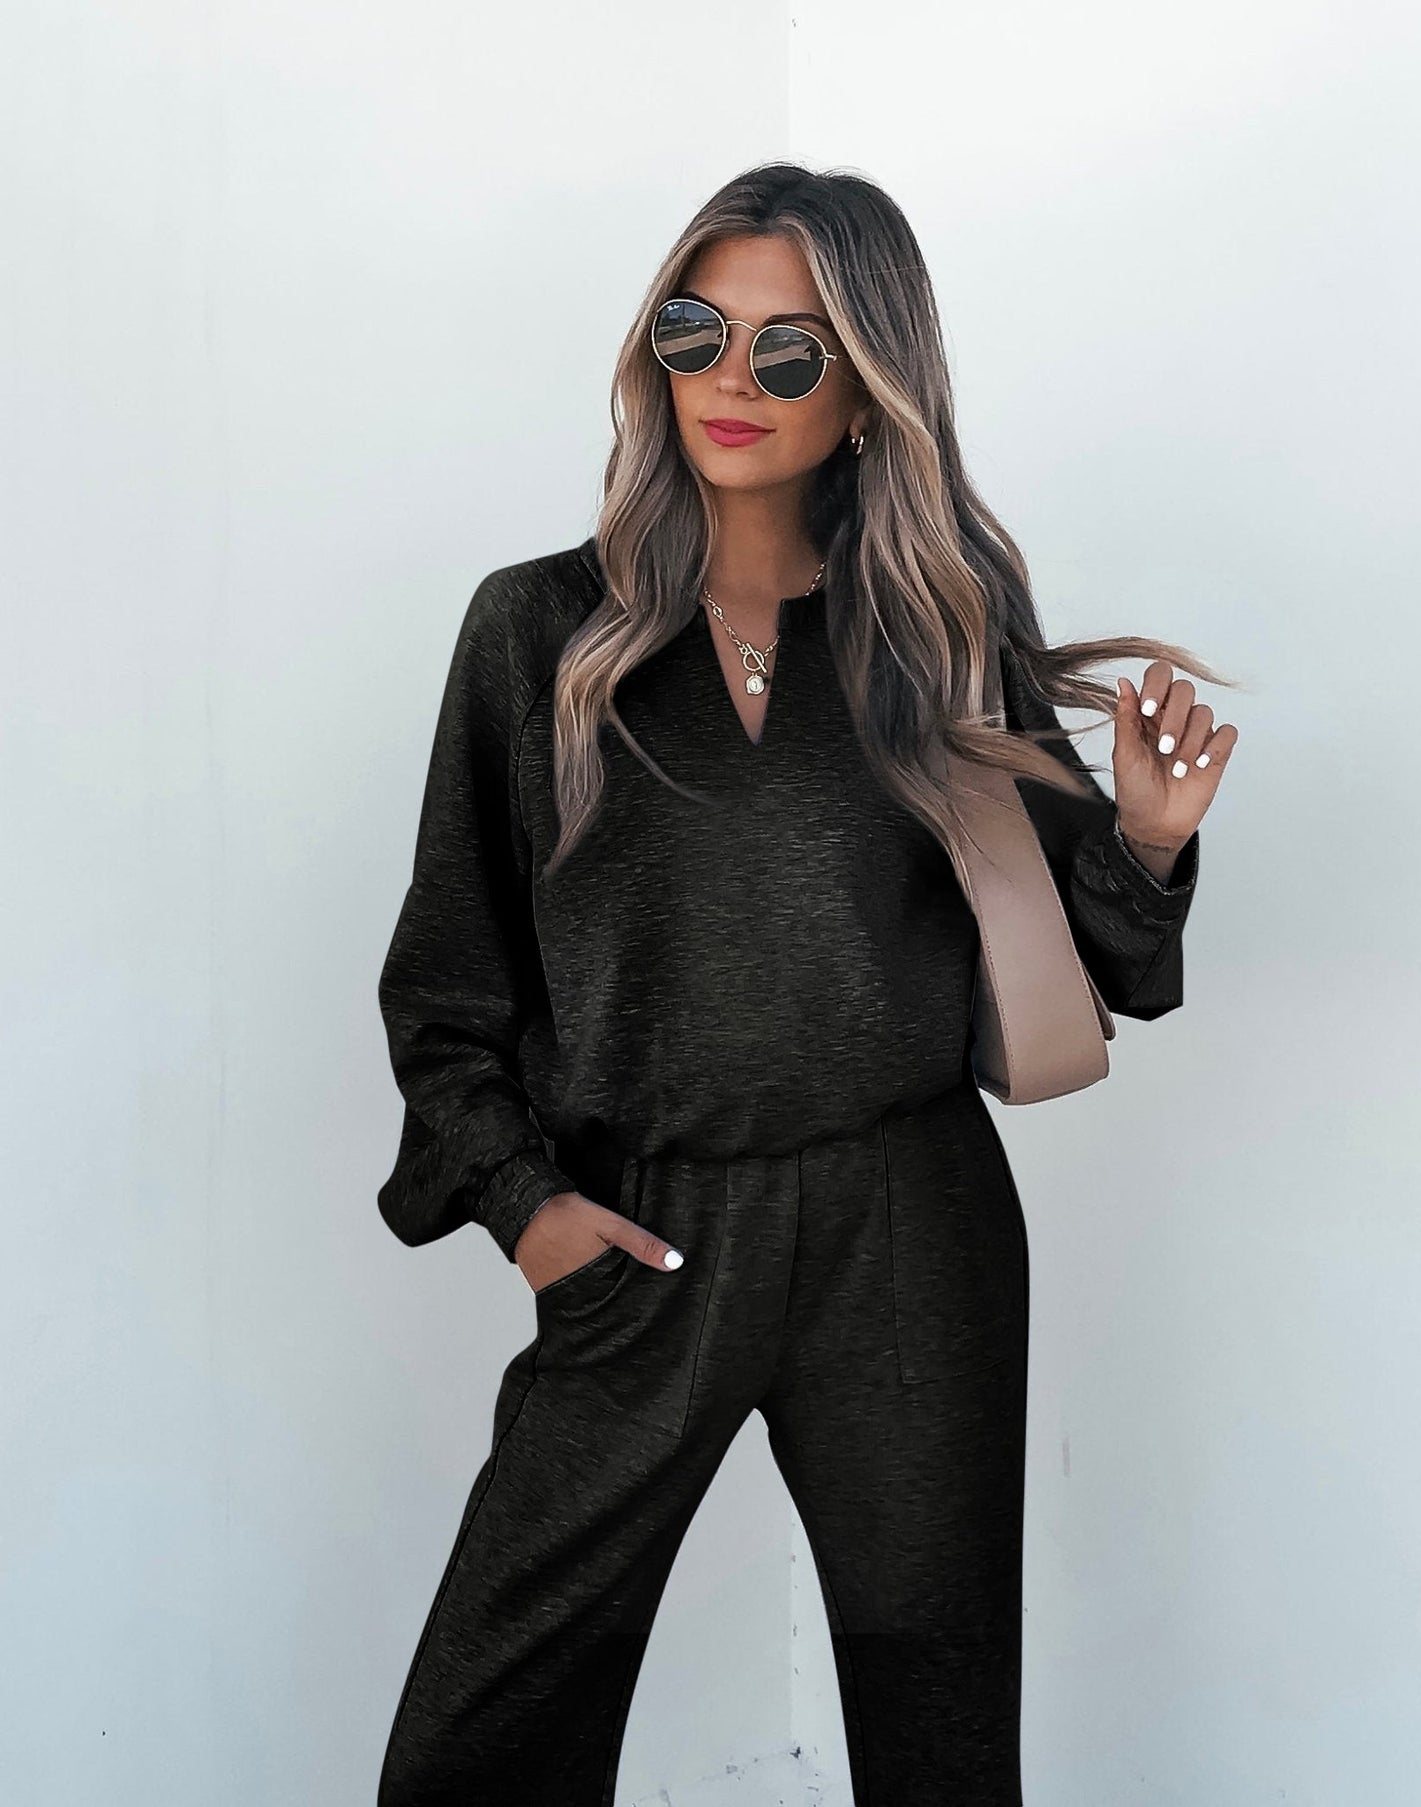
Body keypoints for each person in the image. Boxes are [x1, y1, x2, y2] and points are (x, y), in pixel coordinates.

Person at [372, 160, 1237, 1806]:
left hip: (909, 1223)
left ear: (867, 391)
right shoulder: (538, 630)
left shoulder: (938, 627)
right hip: (643, 1225)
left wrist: (1142, 834)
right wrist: (528, 1210)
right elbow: (445, 980)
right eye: (701, 331)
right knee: (481, 1741)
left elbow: (1101, 967)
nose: (733, 382)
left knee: (935, 1728)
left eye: (793, 349)